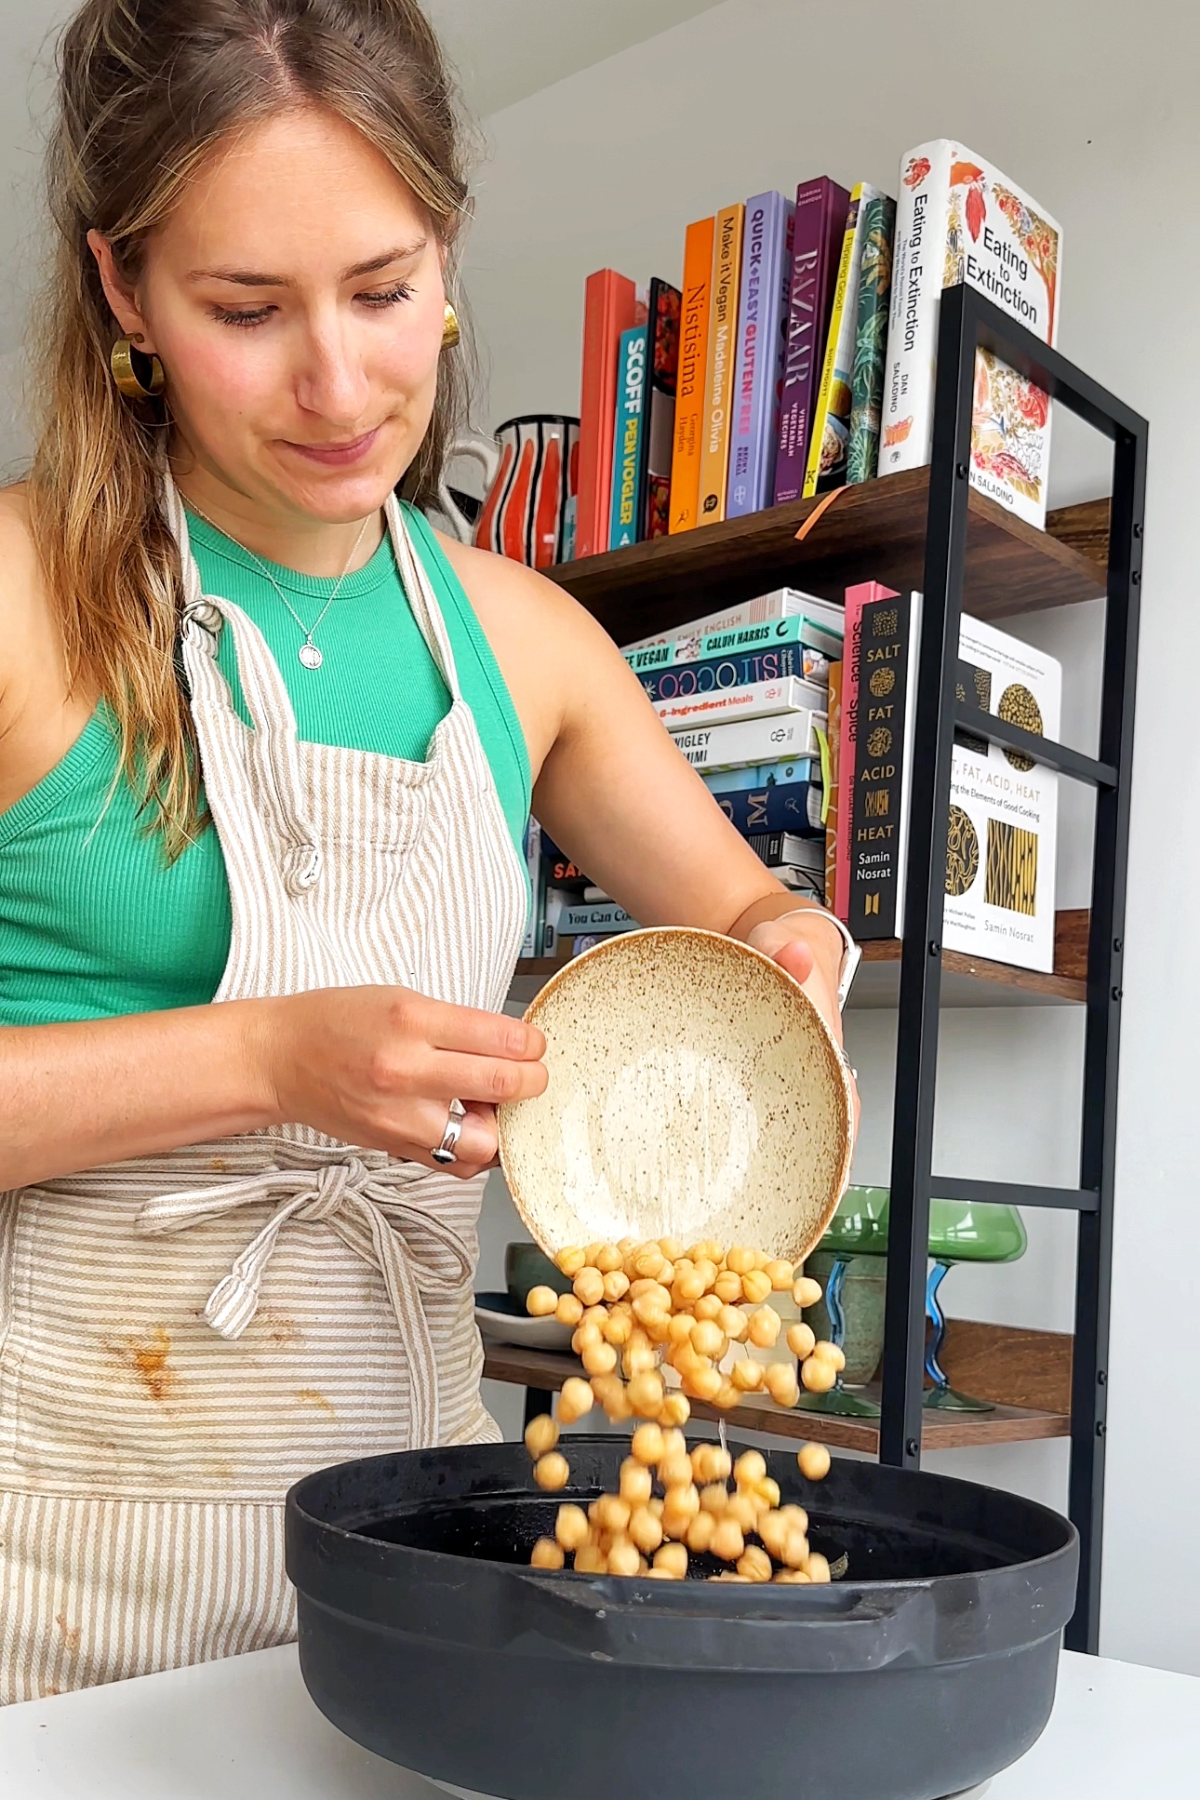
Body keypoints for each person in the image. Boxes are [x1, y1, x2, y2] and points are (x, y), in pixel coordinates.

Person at [0, 0, 859, 1705]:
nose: (339, 387)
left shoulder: (525, 642)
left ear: (448, 252)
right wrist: (261, 1057)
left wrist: (792, 952)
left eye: (384, 290)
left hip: (419, 1548)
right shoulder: (23, 599)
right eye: (246, 310)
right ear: (123, 294)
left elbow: (758, 912)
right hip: (64, 1559)